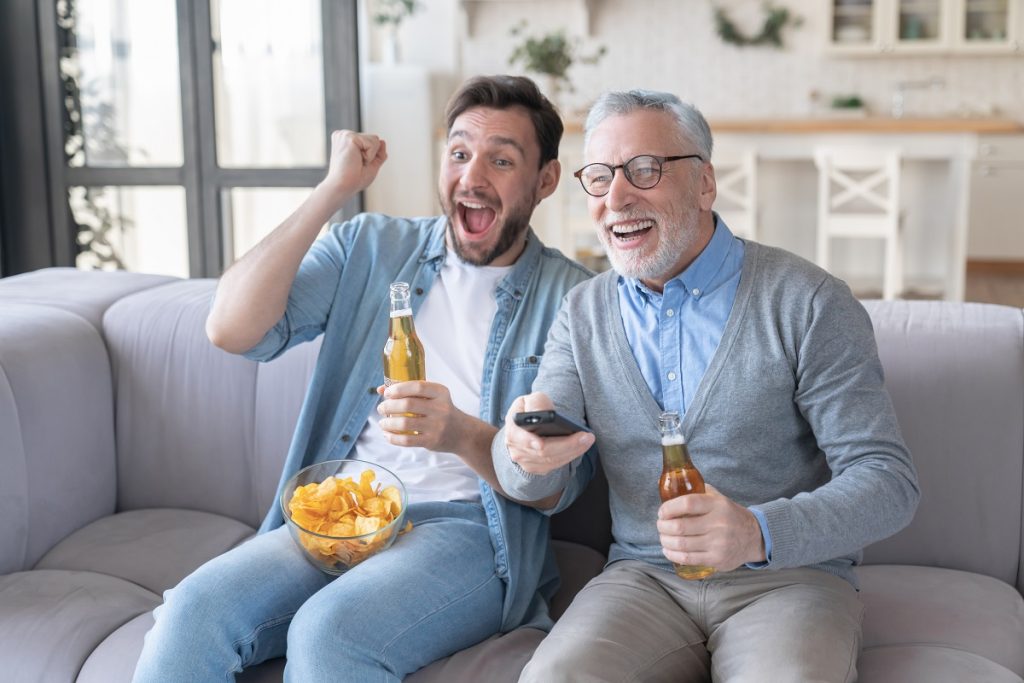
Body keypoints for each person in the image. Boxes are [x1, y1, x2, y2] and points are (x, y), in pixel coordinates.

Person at [132, 75, 592, 682]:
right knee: (192, 611)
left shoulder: (573, 299)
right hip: (335, 510)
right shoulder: (370, 246)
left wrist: (458, 434)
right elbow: (230, 329)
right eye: (459, 154)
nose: (472, 177)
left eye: (502, 160)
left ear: (546, 181)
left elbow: (557, 488)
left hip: (467, 531)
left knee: (328, 632)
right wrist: (332, 190)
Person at [492, 90, 920, 682]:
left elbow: (889, 482)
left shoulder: (810, 301)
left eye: (644, 170)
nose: (615, 198)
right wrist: (523, 452)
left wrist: (756, 532)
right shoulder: (581, 311)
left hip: (788, 580)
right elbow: (535, 472)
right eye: (598, 176)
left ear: (705, 183)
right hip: (643, 579)